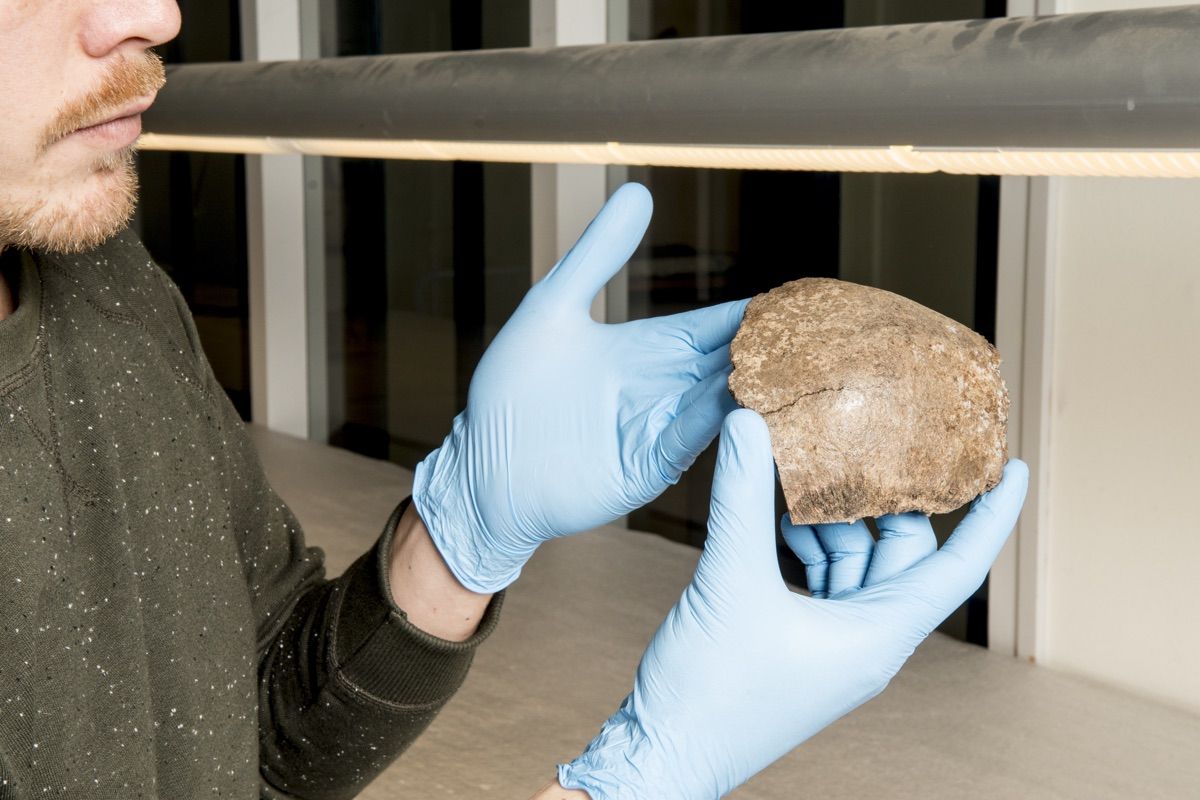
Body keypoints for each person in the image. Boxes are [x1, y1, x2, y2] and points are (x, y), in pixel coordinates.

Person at [0, 2, 1028, 799]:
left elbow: (253, 742)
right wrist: (637, 774)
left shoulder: (106, 278)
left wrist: (457, 536)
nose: (153, 15)